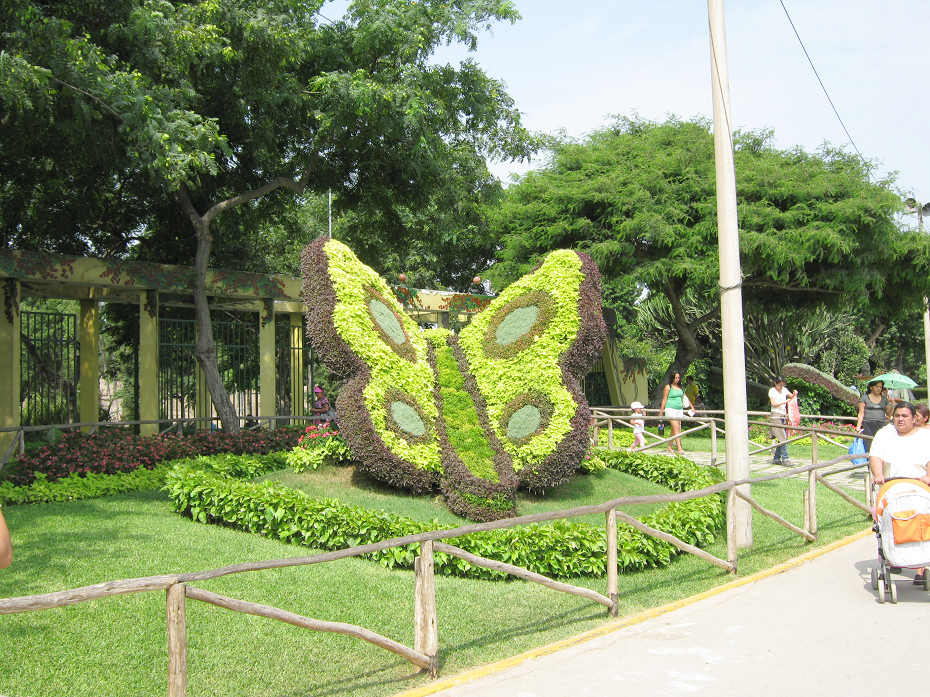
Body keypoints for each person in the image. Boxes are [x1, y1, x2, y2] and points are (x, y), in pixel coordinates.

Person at [868, 402, 930, 583]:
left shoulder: (925, 436)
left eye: (905, 416)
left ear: (914, 418)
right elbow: (875, 455)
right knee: (891, 523)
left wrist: (928, 476)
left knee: (920, 524)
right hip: (891, 487)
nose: (900, 419)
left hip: (919, 487)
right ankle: (892, 557)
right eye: (897, 416)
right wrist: (878, 474)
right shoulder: (885, 434)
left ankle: (920, 567)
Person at [855, 379, 892, 450]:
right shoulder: (864, 398)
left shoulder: (884, 399)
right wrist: (858, 428)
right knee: (868, 446)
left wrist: (892, 406)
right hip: (868, 424)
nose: (879, 389)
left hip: (881, 425)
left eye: (880, 387)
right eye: (876, 386)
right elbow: (861, 414)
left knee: (881, 446)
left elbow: (889, 414)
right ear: (871, 387)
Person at [768, 375, 798, 465]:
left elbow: (792, 397)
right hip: (776, 415)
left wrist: (795, 393)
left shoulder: (784, 390)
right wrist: (785, 402)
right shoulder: (772, 391)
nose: (781, 387)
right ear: (775, 383)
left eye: (783, 385)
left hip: (783, 415)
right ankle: (785, 459)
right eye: (780, 385)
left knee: (782, 438)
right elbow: (773, 404)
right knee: (783, 438)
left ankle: (776, 458)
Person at [659, 371, 686, 454]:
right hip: (670, 409)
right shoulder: (668, 387)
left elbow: (685, 397)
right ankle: (679, 448)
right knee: (676, 428)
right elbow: (664, 400)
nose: (677, 379)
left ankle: (669, 446)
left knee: (675, 429)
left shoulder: (680, 387)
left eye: (678, 378)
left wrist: (692, 407)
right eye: (676, 378)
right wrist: (661, 412)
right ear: (672, 378)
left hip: (679, 409)